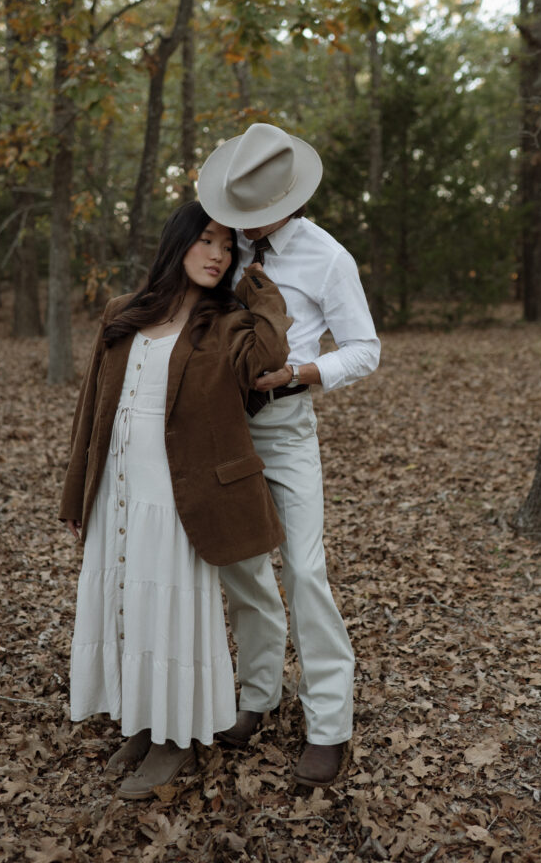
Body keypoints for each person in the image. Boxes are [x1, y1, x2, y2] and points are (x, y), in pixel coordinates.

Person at [59, 201, 291, 800]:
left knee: (168, 610)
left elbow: (268, 356)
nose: (218, 254)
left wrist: (258, 287)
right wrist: (77, 492)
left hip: (177, 493)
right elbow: (92, 408)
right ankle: (142, 722)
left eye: (227, 246)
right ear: (177, 242)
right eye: (206, 240)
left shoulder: (226, 323)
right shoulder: (123, 312)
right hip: (119, 487)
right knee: (127, 606)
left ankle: (174, 739)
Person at [198, 122, 380, 788]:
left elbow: (364, 349)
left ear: (288, 200)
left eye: (254, 212)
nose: (243, 225)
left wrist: (302, 372)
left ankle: (329, 726)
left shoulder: (327, 258)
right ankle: (257, 695)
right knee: (243, 567)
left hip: (285, 424)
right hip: (221, 425)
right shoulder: (219, 247)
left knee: (304, 570)